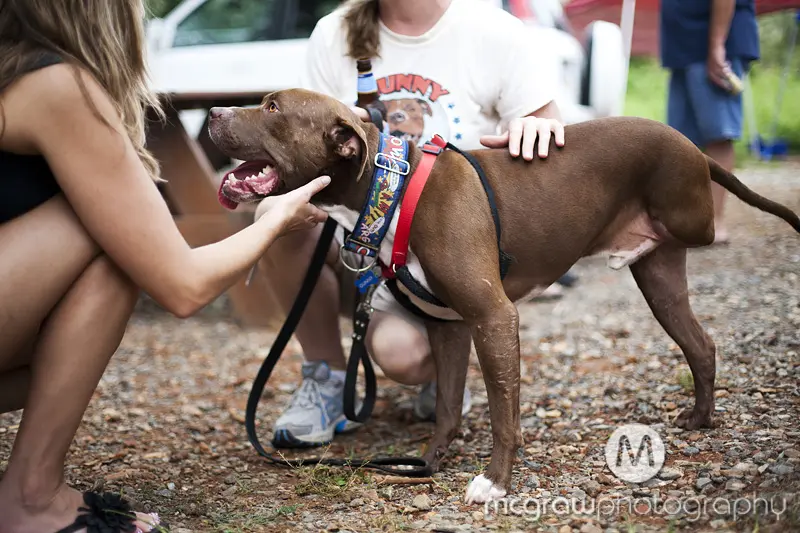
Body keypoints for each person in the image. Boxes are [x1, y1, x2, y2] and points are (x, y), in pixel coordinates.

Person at [0, 1, 332, 531]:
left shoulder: (12, 68)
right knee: (111, 235)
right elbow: (183, 285)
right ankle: (31, 499)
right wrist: (272, 220)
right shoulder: (56, 85)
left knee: (115, 237)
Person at [257, 0, 569, 449]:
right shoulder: (334, 33)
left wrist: (535, 128)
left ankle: (447, 371)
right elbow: (293, 147)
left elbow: (547, 130)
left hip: (456, 251)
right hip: (369, 254)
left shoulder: (494, 30)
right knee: (277, 217)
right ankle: (326, 378)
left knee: (402, 358)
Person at [660, 0, 760, 243]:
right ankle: (690, 222)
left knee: (718, 133)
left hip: (713, 44)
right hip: (685, 46)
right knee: (681, 139)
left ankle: (714, 222)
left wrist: (717, 45)